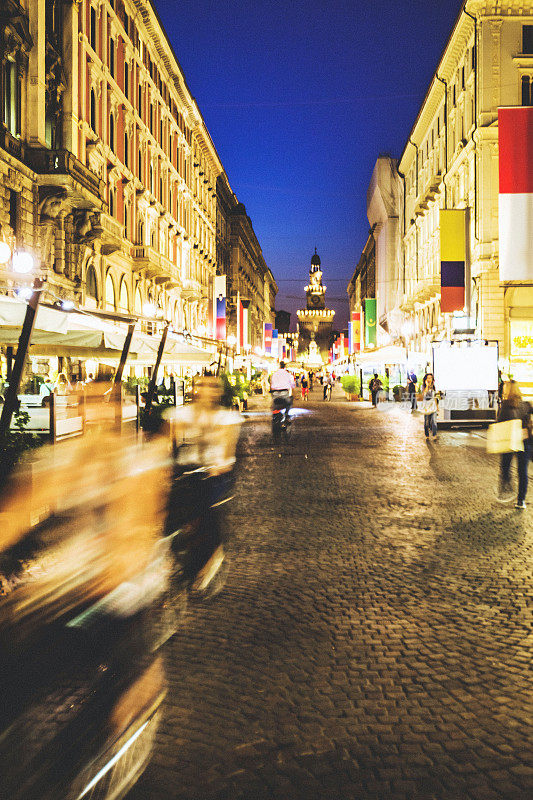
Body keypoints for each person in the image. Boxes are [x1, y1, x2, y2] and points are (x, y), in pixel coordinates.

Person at [497, 380, 532, 509]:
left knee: (505, 466)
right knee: (523, 471)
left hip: (510, 441)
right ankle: (521, 500)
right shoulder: (526, 405)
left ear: (508, 390)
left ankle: (506, 488)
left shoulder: (505, 406)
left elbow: (499, 423)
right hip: (525, 441)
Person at [422, 373, 438, 440]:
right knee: (426, 422)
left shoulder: (434, 387)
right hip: (426, 407)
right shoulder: (423, 386)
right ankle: (427, 435)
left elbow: (435, 397)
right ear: (425, 379)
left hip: (433, 406)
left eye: (430, 378)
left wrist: (437, 406)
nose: (429, 379)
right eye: (428, 378)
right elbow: (424, 394)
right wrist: (427, 385)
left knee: (434, 421)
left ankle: (434, 434)